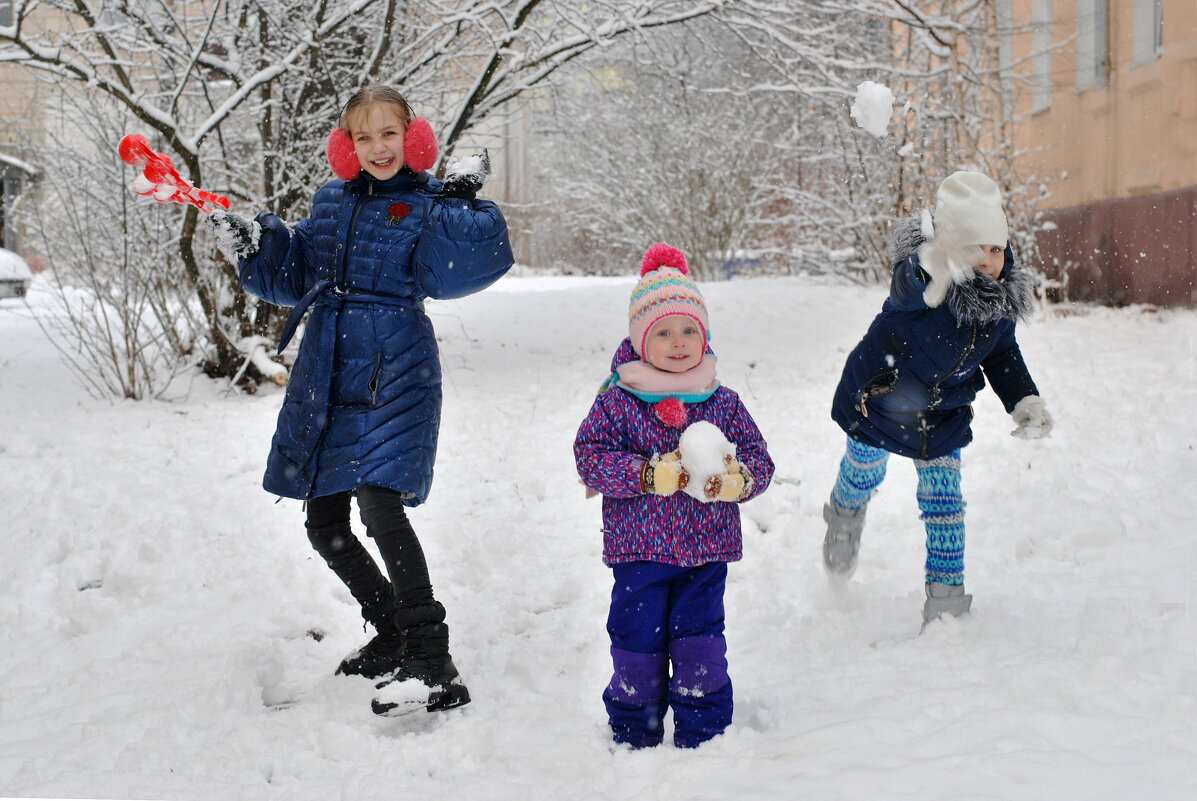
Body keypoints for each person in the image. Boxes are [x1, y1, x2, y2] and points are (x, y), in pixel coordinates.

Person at [208, 85, 514, 715]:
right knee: (323, 522)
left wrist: (455, 202)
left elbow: (474, 262)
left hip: (394, 366)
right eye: (363, 136)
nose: (378, 148)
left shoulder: (424, 204)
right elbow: (296, 272)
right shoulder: (330, 202)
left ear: (414, 137)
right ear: (346, 145)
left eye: (389, 134)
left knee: (379, 502)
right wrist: (258, 240)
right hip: (327, 370)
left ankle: (433, 659)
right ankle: (390, 630)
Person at [822, 170, 1052, 625]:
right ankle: (844, 517)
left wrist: (1025, 400)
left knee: (945, 504)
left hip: (940, 414)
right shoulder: (925, 284)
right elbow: (904, 289)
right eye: (974, 247)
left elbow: (1002, 354)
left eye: (995, 248)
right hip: (881, 399)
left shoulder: (997, 306)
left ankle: (946, 602)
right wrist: (930, 264)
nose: (987, 260)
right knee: (862, 473)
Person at [574, 244, 774, 748]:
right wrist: (646, 475)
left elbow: (759, 459)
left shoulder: (721, 401)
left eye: (689, 330)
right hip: (639, 553)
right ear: (641, 341)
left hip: (705, 552)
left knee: (700, 644)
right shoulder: (619, 401)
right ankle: (634, 727)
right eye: (662, 332)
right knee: (637, 643)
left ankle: (704, 729)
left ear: (703, 336)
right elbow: (589, 456)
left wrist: (738, 481)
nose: (678, 342)